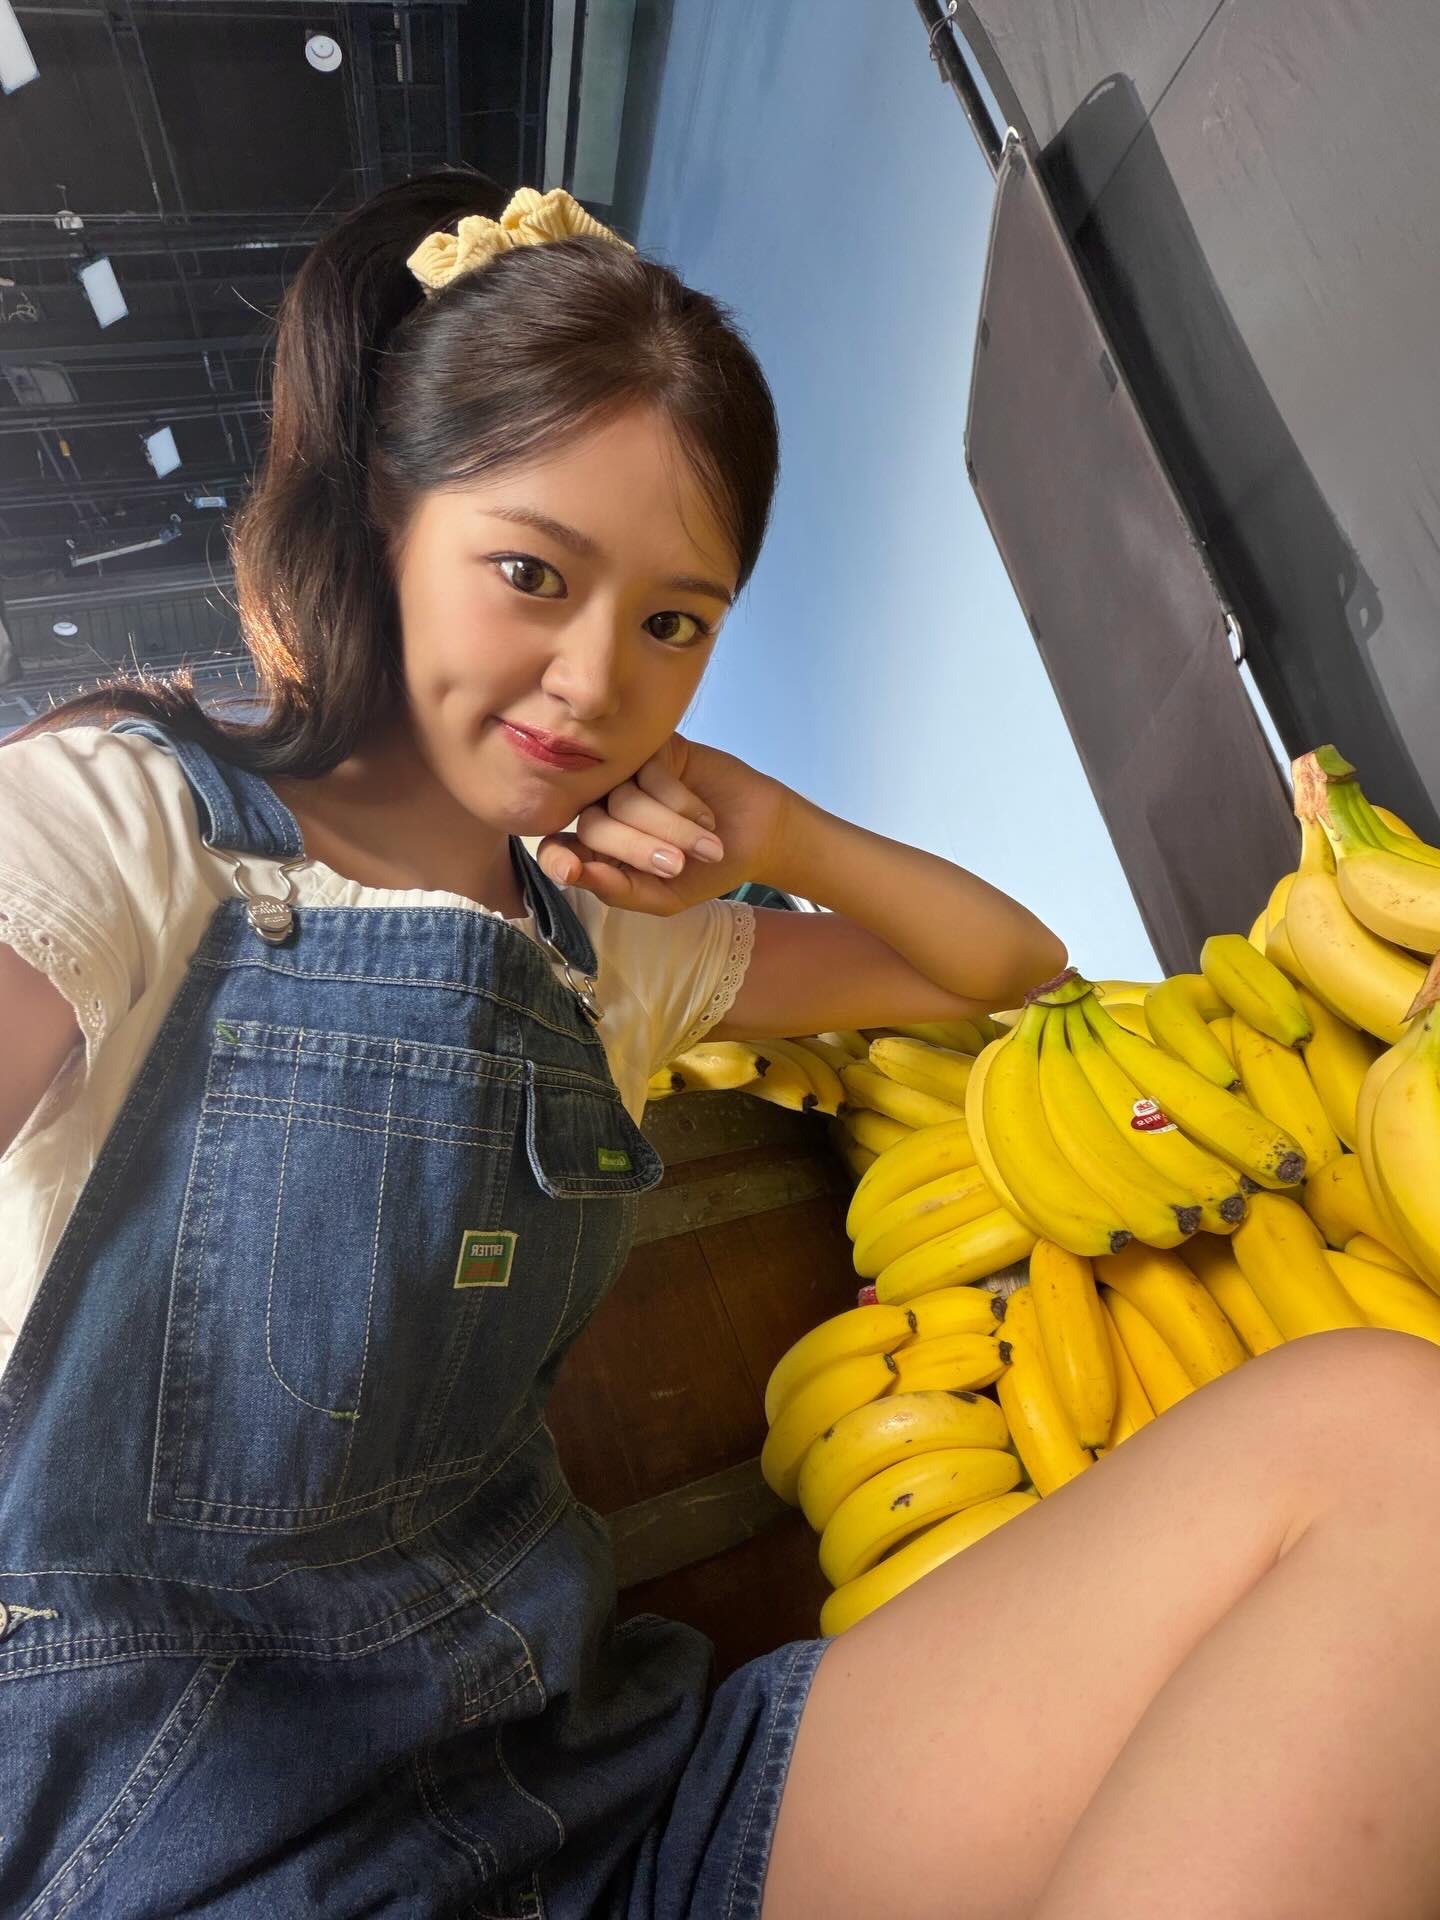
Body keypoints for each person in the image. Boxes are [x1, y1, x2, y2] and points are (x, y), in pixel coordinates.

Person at [0, 173, 1436, 1920]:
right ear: (381, 521)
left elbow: (999, 965)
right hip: (191, 1859)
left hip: (603, 1797)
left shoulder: (612, 957)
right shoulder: (126, 828)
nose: (594, 680)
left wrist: (780, 828)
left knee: (1394, 1447)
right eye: (531, 573)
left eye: (674, 621)